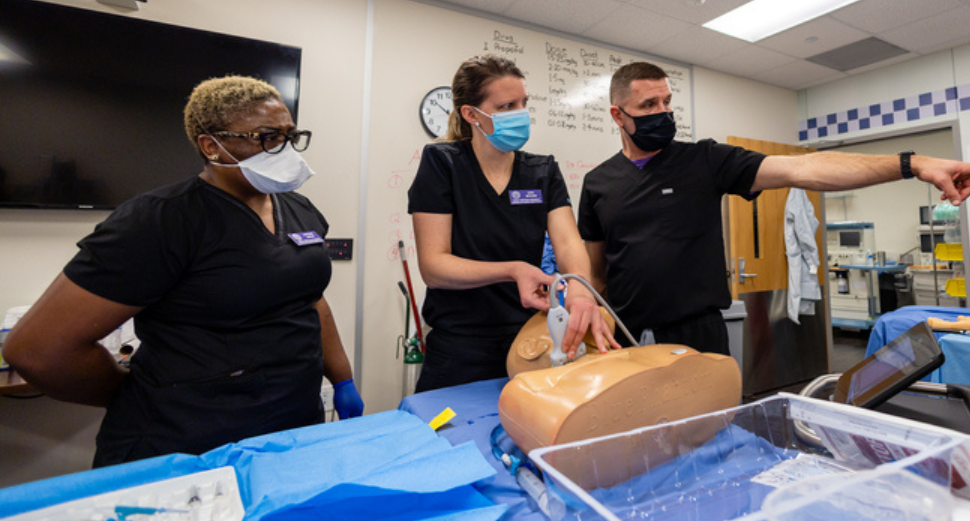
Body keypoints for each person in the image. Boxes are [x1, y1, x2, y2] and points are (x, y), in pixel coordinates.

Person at [1, 76, 363, 467]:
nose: (283, 149)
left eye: (290, 136)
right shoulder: (160, 220)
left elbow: (311, 300)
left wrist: (342, 379)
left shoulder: (300, 209)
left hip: (290, 424)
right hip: (190, 440)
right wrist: (137, 396)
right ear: (212, 146)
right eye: (266, 137)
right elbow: (37, 349)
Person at [578, 62, 970, 355]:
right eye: (649, 106)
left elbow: (806, 167)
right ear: (619, 115)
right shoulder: (598, 183)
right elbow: (596, 275)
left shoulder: (704, 161)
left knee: (707, 442)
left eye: (668, 102)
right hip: (626, 336)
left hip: (699, 337)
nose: (663, 113)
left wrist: (912, 164)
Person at [408, 55, 616, 392]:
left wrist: (580, 290)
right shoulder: (443, 165)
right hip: (460, 349)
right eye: (506, 106)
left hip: (530, 339)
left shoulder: (542, 171)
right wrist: (513, 270)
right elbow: (434, 266)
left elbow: (567, 243)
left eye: (523, 103)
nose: (520, 114)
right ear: (470, 114)